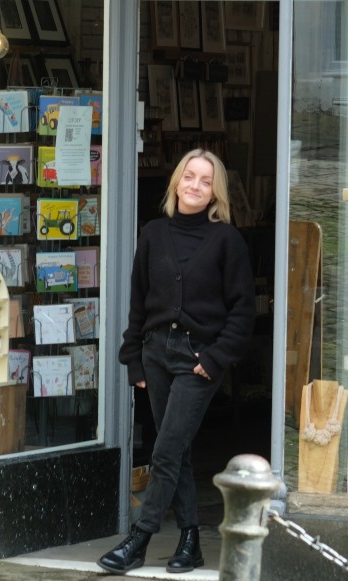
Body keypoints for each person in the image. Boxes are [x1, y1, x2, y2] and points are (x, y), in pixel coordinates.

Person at [97, 149, 256, 575]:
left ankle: (139, 539)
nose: (196, 186)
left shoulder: (228, 241)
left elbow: (243, 311)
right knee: (177, 449)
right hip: (155, 355)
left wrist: (216, 358)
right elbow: (138, 302)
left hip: (196, 359)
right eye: (190, 177)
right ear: (176, 183)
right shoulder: (153, 233)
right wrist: (134, 360)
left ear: (215, 192)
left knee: (164, 450)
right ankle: (190, 540)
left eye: (206, 181)